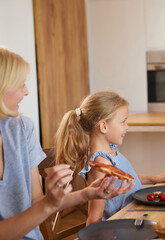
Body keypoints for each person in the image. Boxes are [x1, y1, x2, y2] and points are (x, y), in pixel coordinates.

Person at [0, 47, 130, 240]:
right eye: (20, 85)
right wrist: (47, 204)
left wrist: (88, 193)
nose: (27, 92)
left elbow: (37, 202)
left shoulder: (22, 128)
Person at [55, 91, 165, 226]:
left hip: (136, 216)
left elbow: (123, 179)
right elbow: (95, 217)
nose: (127, 127)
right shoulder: (100, 164)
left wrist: (154, 179)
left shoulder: (110, 150)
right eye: (123, 122)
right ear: (103, 126)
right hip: (123, 227)